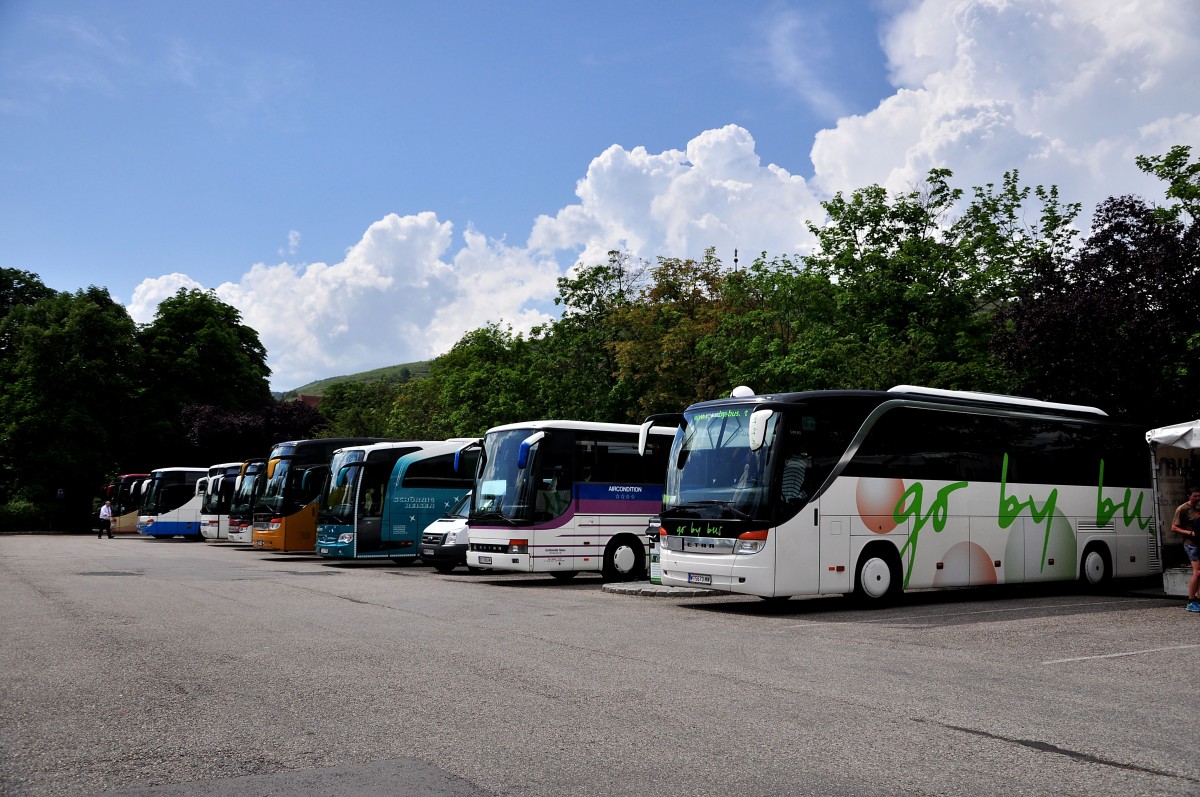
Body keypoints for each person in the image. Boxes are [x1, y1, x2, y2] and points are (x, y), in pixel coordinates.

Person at [1170, 489, 1200, 612]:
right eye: (1195, 496)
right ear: (1189, 496)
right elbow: (1174, 527)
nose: (1198, 498)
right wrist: (1190, 533)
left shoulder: (1198, 508)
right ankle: (1191, 601)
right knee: (1197, 572)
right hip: (1191, 544)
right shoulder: (1182, 509)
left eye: (1199, 496)